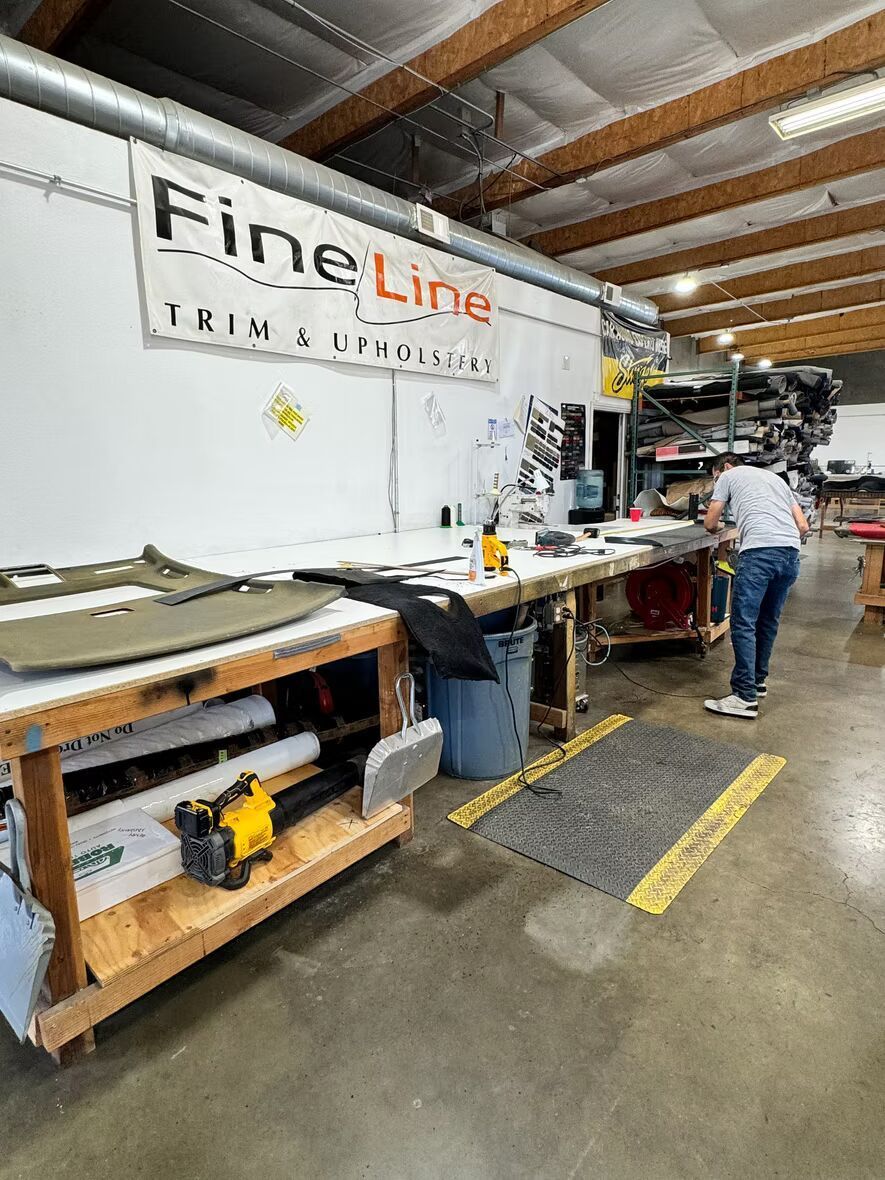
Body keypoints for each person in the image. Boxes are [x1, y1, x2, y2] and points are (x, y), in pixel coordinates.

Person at [703, 454, 810, 718]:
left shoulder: (728, 476)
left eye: (715, 476)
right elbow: (803, 526)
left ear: (725, 467)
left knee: (744, 623)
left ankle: (743, 697)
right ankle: (757, 682)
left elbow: (709, 523)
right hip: (790, 554)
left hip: (759, 554)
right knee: (767, 621)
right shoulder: (776, 480)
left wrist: (720, 527)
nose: (717, 480)